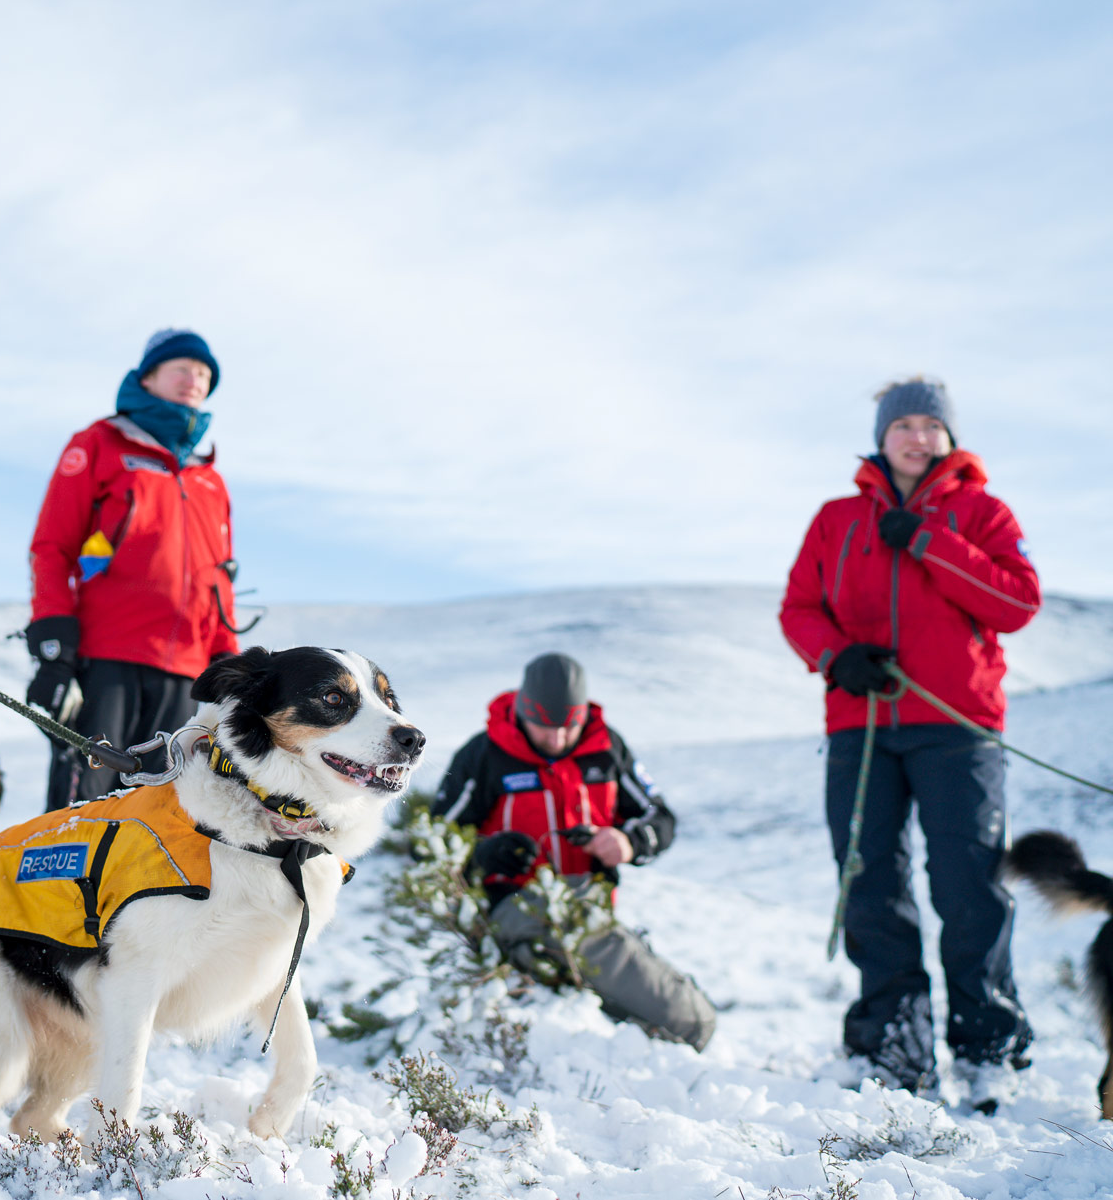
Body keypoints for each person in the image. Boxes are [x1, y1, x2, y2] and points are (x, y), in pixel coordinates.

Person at [780, 376, 1040, 1106]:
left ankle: (989, 1049)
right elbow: (800, 607)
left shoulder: (981, 511)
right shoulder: (835, 518)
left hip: (958, 728)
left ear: (949, 437)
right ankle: (893, 1049)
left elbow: (1017, 600)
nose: (918, 437)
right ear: (882, 435)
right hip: (860, 727)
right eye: (905, 425)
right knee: (870, 883)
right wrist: (838, 657)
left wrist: (929, 540)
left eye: (932, 424)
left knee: (968, 885)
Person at [432, 653, 715, 1051]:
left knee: (667, 1014)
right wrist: (483, 854)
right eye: (544, 728)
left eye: (570, 727)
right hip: (513, 911)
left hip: (594, 913)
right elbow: (431, 840)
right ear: (521, 711)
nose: (558, 740)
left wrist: (628, 842)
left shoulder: (607, 748)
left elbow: (661, 818)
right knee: (690, 1020)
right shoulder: (484, 756)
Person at [24, 329, 241, 809]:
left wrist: (228, 660)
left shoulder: (210, 479)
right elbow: (52, 546)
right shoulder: (99, 444)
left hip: (185, 673)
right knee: (85, 809)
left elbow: (219, 578)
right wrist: (53, 635)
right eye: (181, 368)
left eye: (204, 374)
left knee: (160, 817)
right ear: (149, 376)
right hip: (107, 659)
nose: (194, 380)